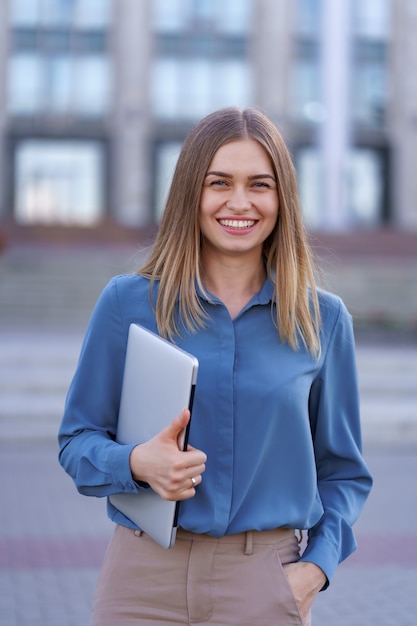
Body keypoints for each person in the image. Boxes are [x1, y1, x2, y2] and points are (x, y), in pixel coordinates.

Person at [58, 107, 372, 626]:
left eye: (260, 184)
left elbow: (344, 472)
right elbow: (77, 441)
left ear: (282, 198)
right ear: (191, 193)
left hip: (265, 583)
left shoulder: (324, 321)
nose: (240, 202)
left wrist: (316, 568)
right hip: (141, 579)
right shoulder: (127, 304)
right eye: (219, 182)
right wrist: (137, 462)